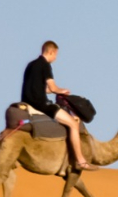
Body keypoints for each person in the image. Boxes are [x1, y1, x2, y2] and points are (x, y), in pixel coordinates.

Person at [20, 40, 94, 171]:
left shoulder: (31, 65)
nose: (55, 58)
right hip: (41, 104)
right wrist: (62, 90)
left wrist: (53, 90)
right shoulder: (45, 65)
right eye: (55, 55)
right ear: (51, 52)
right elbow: (53, 88)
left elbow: (40, 89)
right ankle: (80, 161)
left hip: (27, 101)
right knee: (73, 124)